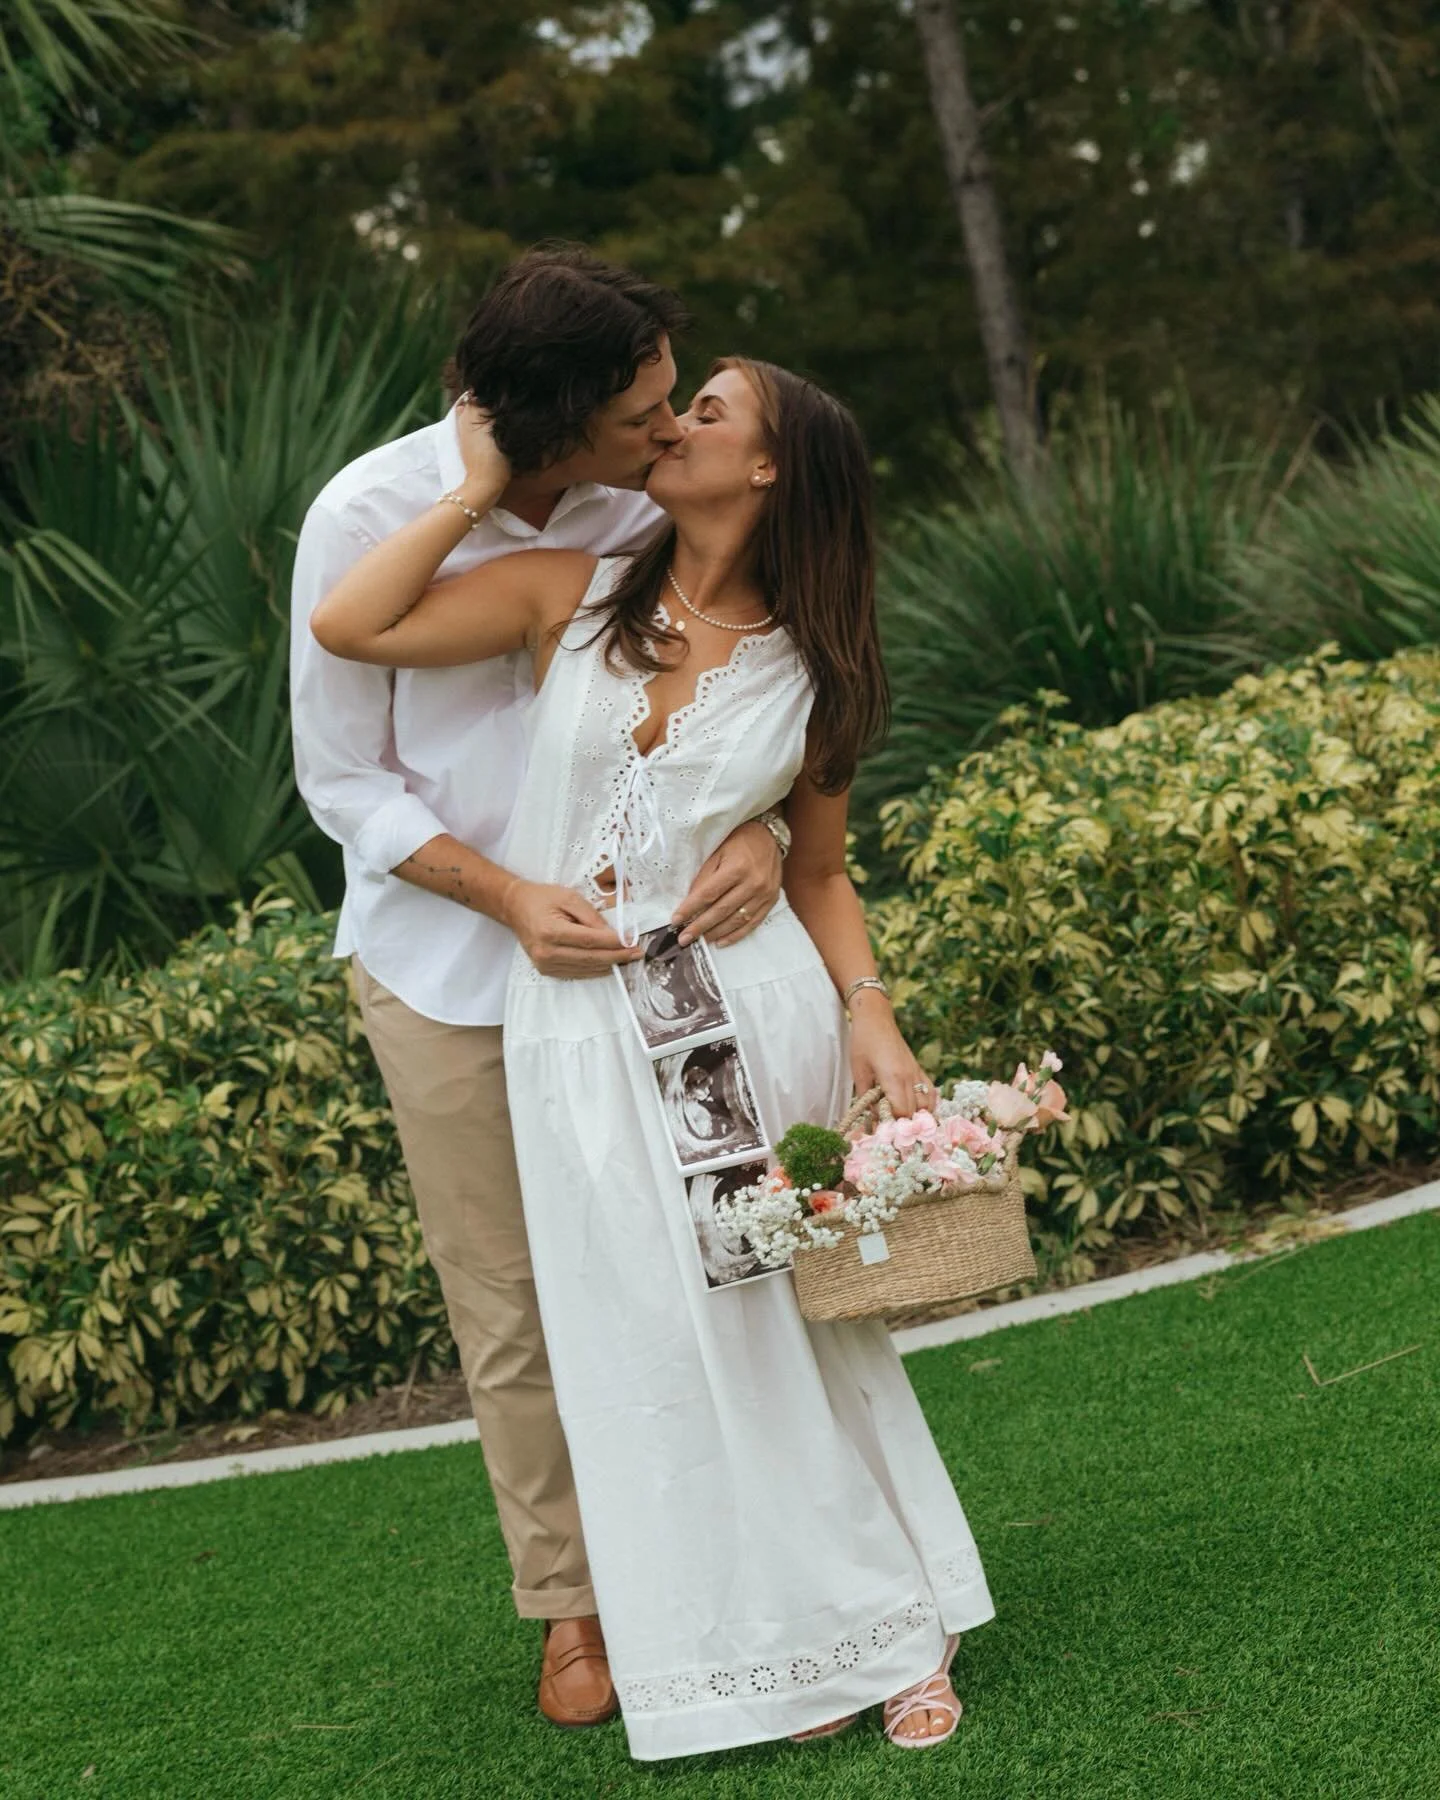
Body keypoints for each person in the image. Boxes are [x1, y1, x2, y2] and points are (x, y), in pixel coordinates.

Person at [309, 355, 996, 1759]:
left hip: (742, 1017)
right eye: (671, 408)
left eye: (709, 412)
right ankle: (779, 1645)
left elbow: (818, 874)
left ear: (769, 473)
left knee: (779, 1327)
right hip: (569, 1029)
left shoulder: (822, 661)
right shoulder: (570, 591)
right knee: (640, 1346)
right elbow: (351, 620)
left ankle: (900, 1623)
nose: (673, 427)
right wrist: (477, 488)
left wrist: (874, 1014)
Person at [288, 247, 791, 1729]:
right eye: (640, 408)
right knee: (509, 1307)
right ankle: (573, 1611)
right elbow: (341, 784)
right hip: (444, 971)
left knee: (685, 1260)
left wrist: (761, 825)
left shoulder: (644, 504)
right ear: (554, 417)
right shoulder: (367, 518)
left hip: (643, 971)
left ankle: (716, 1553)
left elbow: (745, 684)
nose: (665, 425)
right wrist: (506, 895)